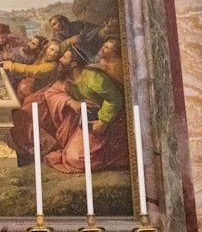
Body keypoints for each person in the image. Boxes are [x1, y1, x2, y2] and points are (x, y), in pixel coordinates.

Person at [9, 46, 128, 174]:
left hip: (107, 123)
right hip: (85, 120)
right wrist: (70, 102)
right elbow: (52, 92)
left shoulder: (94, 78)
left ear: (74, 63)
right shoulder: (68, 77)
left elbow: (115, 100)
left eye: (64, 57)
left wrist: (103, 121)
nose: (60, 59)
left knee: (76, 159)